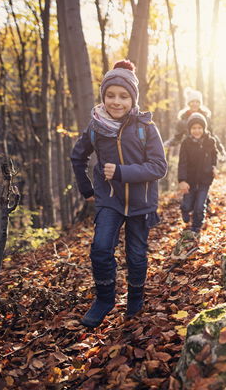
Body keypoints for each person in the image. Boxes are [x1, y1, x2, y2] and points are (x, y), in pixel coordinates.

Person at [70, 60, 167, 328]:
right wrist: (87, 189)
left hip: (141, 203)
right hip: (109, 201)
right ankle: (104, 299)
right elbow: (77, 157)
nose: (116, 102)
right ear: (103, 97)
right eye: (110, 95)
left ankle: (135, 297)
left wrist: (123, 172)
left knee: (136, 255)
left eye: (123, 96)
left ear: (132, 99)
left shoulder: (145, 127)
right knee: (100, 249)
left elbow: (159, 167)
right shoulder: (96, 127)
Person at [177, 112, 217, 244]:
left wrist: (214, 167)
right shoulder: (186, 143)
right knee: (188, 204)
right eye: (194, 128)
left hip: (205, 179)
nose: (197, 130)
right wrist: (182, 180)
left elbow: (214, 155)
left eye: (200, 127)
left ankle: (196, 228)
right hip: (190, 180)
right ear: (189, 130)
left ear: (204, 128)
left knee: (200, 205)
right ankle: (184, 209)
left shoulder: (210, 141)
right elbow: (182, 162)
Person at [164, 87, 226, 161]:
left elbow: (212, 136)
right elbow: (177, 138)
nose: (195, 104)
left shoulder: (206, 118)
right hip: (190, 153)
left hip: (205, 153)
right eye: (192, 101)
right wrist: (166, 145)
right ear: (188, 103)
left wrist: (222, 151)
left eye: (197, 102)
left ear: (200, 103)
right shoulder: (183, 120)